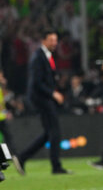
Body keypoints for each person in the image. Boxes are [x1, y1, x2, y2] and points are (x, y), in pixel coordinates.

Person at [13, 30, 70, 175]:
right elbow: (36, 82)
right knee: (55, 131)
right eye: (51, 40)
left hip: (44, 98)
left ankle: (21, 158)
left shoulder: (46, 56)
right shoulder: (38, 57)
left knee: (48, 133)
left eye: (55, 40)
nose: (54, 43)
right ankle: (56, 167)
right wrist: (53, 93)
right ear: (43, 41)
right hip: (41, 98)